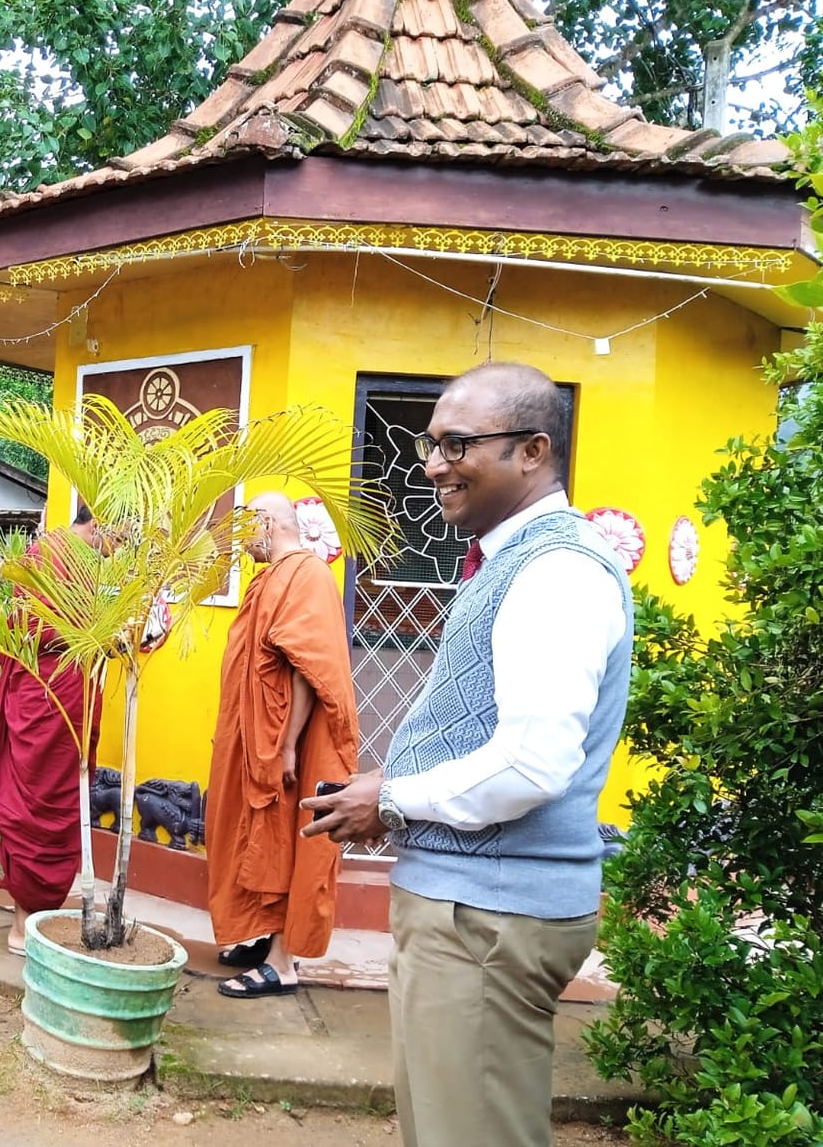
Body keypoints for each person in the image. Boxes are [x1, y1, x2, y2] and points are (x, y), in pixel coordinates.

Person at [303, 362, 634, 1147]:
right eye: (431, 442)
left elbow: (530, 764)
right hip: (475, 905)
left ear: (532, 451)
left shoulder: (556, 570)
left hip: (491, 915)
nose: (434, 463)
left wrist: (389, 799)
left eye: (458, 444)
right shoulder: (513, 560)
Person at [205, 491, 359, 998]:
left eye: (244, 531)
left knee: (288, 839)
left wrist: (288, 743)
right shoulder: (271, 577)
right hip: (260, 742)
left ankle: (284, 963)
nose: (240, 543)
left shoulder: (307, 575)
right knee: (259, 837)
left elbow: (307, 668)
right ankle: (264, 938)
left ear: (266, 523)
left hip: (288, 744)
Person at [0, 505, 105, 956]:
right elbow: (28, 626)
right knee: (37, 805)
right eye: (121, 535)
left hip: (74, 694)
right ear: (98, 524)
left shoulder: (92, 561)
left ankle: (37, 916)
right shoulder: (48, 555)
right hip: (45, 695)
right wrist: (96, 633)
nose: (122, 547)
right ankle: (23, 923)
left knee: (64, 801)